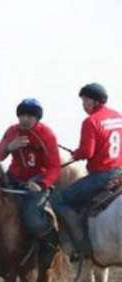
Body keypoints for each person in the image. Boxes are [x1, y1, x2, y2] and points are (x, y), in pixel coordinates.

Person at [53, 83, 122, 258]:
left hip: (101, 176)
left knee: (59, 199)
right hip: (119, 172)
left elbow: (87, 152)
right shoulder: (117, 117)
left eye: (85, 100)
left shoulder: (91, 121)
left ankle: (81, 245)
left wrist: (77, 154)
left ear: (95, 101)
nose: (84, 105)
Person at [0, 98, 61, 258]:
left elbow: (54, 167)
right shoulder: (12, 131)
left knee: (33, 219)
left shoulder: (47, 135)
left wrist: (42, 183)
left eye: (29, 116)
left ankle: (50, 245)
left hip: (37, 181)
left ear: (37, 118)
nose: (24, 119)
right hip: (13, 178)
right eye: (21, 115)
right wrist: (9, 147)